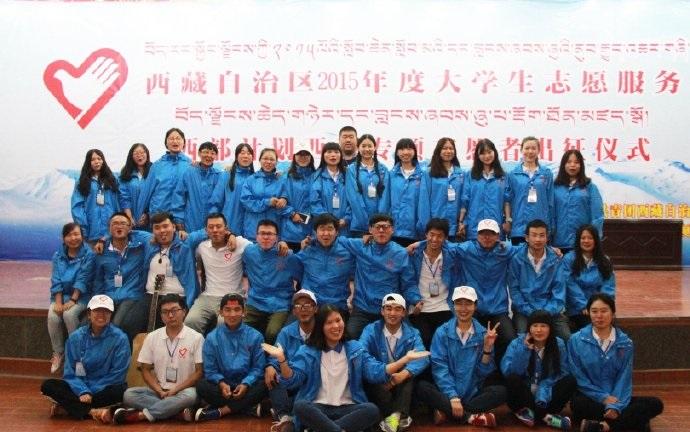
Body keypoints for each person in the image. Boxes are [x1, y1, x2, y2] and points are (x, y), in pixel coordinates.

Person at [263, 305, 430, 432]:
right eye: (329, 323)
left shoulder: (355, 348)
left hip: (348, 408)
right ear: (321, 327)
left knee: (371, 410)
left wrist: (405, 360)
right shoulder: (308, 351)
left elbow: (377, 371)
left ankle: (322, 429)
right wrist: (282, 360)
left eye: (338, 320)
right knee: (300, 406)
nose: (336, 326)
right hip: (318, 407)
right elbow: (292, 380)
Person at [569, 294, 664, 432]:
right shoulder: (575, 340)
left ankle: (604, 426)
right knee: (578, 403)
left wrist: (615, 406)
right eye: (594, 311)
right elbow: (578, 376)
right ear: (588, 313)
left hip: (616, 398)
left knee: (655, 404)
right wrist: (603, 398)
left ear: (613, 313)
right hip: (590, 397)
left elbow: (624, 378)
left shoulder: (626, 343)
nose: (599, 316)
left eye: (604, 311)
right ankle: (633, 422)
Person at [415, 286, 507, 428]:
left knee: (502, 392)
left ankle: (446, 411)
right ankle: (470, 416)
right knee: (421, 387)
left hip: (472, 394)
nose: (463, 308)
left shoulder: (484, 334)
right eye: (459, 303)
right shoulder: (442, 332)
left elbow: (483, 373)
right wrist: (453, 396)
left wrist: (487, 348)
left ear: (475, 306)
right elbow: (440, 368)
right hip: (446, 393)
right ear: (453, 305)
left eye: (468, 303)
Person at [114, 294, 204, 424]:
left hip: (184, 391)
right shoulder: (152, 337)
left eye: (174, 310)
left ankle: (141, 415)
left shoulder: (196, 338)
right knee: (129, 394)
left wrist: (175, 390)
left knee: (191, 396)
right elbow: (145, 370)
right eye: (165, 312)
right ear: (161, 316)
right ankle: (175, 412)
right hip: (158, 391)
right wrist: (159, 390)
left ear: (184, 312)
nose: (170, 315)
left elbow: (199, 372)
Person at [41, 294, 130, 423]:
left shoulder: (120, 338)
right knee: (48, 385)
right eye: (97, 310)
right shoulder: (76, 337)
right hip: (79, 388)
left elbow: (118, 374)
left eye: (106, 311)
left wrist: (90, 391)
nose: (101, 315)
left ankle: (69, 407)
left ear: (111, 315)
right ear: (89, 314)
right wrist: (82, 390)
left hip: (103, 388)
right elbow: (70, 372)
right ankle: (92, 411)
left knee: (120, 392)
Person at [343, 214, 422, 339]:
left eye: (385, 227)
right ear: (370, 229)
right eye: (377, 227)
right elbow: (335, 240)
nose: (381, 230)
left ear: (392, 229)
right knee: (349, 337)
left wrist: (416, 299)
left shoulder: (400, 253)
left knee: (411, 338)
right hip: (363, 309)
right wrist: (312, 242)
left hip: (390, 309)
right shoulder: (360, 246)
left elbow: (409, 283)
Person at [359, 294, 429, 432]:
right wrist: (383, 373)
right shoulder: (370, 330)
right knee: (371, 383)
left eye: (397, 309)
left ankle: (394, 419)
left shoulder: (413, 333)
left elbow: (423, 357)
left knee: (409, 378)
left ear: (404, 313)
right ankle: (399, 417)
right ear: (382, 311)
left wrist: (404, 374)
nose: (392, 313)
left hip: (400, 383)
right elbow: (362, 355)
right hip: (379, 379)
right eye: (388, 308)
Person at [195, 293, 267, 422]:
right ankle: (246, 408)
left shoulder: (256, 336)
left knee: (264, 384)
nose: (232, 314)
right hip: (223, 387)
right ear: (221, 312)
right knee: (202, 385)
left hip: (247, 385)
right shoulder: (212, 338)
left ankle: (222, 411)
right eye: (227, 310)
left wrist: (246, 383)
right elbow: (210, 370)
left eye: (237, 309)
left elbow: (258, 368)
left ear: (244, 312)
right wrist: (222, 383)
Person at [501, 310, 576, 430]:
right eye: (535, 326)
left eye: (543, 326)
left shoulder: (559, 344)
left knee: (570, 380)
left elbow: (563, 372)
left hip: (547, 393)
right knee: (512, 379)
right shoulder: (517, 343)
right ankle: (546, 417)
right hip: (525, 393)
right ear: (529, 328)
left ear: (550, 328)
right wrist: (525, 350)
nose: (539, 330)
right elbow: (509, 372)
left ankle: (533, 416)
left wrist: (544, 388)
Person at [185, 212, 251, 335]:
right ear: (206, 230)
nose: (215, 230)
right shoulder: (202, 247)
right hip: (208, 296)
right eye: (211, 227)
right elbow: (186, 245)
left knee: (224, 323)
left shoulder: (239, 243)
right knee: (190, 321)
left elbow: (260, 248)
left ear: (226, 228)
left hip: (233, 296)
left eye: (219, 226)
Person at [265, 289, 318, 432]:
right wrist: (270, 366)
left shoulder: (322, 331)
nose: (303, 309)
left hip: (313, 382)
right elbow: (275, 356)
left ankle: (290, 415)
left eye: (307, 305)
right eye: (298, 306)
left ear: (315, 309)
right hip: (291, 380)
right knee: (272, 375)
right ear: (294, 311)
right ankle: (285, 417)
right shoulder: (286, 332)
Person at [509, 219, 570, 341]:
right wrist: (530, 312)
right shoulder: (516, 259)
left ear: (547, 238)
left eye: (542, 235)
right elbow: (514, 291)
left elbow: (559, 292)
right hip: (524, 311)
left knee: (566, 337)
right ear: (527, 238)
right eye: (534, 235)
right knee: (522, 339)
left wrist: (545, 313)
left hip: (551, 311)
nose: (538, 239)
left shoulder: (556, 260)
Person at [92, 212, 149, 341]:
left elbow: (153, 235)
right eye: (115, 224)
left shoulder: (139, 246)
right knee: (89, 324)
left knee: (116, 326)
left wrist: (104, 237)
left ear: (130, 228)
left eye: (123, 224)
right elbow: (98, 281)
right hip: (109, 296)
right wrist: (96, 301)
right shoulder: (102, 251)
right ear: (109, 228)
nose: (119, 226)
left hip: (131, 295)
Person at [48, 222, 95, 374]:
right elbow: (56, 280)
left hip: (81, 296)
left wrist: (73, 300)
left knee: (69, 314)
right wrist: (59, 302)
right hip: (62, 295)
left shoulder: (89, 254)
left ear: (82, 236)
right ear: (63, 238)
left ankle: (76, 353)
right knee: (53, 316)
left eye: (76, 234)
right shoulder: (57, 256)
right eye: (69, 235)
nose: (73, 238)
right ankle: (58, 352)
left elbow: (83, 279)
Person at [243, 219, 300, 344]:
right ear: (256, 236)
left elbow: (300, 275)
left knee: (272, 333)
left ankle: (271, 356)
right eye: (262, 233)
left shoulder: (287, 255)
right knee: (241, 328)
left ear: (277, 237)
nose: (265, 237)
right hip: (255, 300)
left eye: (270, 234)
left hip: (280, 303)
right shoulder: (248, 252)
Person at [408, 218, 459, 349]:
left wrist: (419, 243)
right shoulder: (414, 254)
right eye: (431, 234)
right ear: (426, 234)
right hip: (420, 307)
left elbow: (466, 246)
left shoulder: (451, 254)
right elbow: (408, 282)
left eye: (439, 236)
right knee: (424, 339)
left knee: (445, 340)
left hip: (444, 306)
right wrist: (415, 300)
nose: (435, 239)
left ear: (445, 238)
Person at [293, 213, 355, 318]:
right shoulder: (308, 249)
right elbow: (293, 268)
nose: (326, 233)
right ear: (315, 232)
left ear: (337, 232)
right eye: (322, 229)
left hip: (337, 306)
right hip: (311, 305)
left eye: (330, 229)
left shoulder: (348, 252)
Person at [564, 225, 616, 331]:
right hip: (577, 308)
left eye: (590, 238)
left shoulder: (604, 260)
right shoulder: (569, 259)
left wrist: (601, 305)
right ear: (578, 240)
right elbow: (569, 284)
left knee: (611, 329)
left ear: (596, 240)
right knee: (592, 328)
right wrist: (584, 305)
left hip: (599, 307)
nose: (586, 241)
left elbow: (608, 285)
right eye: (583, 238)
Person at [553, 149, 604, 253]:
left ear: (581, 165)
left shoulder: (590, 187)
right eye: (569, 162)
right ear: (563, 165)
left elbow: (597, 216)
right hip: (558, 243)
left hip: (583, 242)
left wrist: (593, 238)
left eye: (576, 162)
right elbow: (549, 213)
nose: (572, 165)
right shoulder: (554, 187)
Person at [459, 139, 511, 240]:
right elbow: (465, 200)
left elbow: (507, 201)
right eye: (482, 153)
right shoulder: (470, 175)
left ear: (494, 152)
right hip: (474, 226)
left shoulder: (503, 176)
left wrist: (508, 221)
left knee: (496, 249)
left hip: (496, 225)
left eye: (489, 152)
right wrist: (461, 222)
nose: (487, 156)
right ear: (477, 156)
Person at [508, 136, 554, 245]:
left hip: (541, 229)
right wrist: (508, 221)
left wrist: (551, 225)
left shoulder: (546, 173)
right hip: (519, 228)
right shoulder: (513, 174)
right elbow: (508, 200)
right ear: (521, 150)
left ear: (538, 151)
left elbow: (551, 201)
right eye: (527, 148)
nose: (530, 151)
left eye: (533, 148)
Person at [418, 137, 465, 241]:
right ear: (438, 151)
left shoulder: (461, 174)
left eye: (451, 148)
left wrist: (462, 222)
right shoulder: (429, 173)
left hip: (455, 227)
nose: (448, 151)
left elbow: (464, 200)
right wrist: (426, 225)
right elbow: (424, 201)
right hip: (435, 227)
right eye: (444, 148)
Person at [71, 148, 120, 245]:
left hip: (112, 229)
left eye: (99, 158)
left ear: (103, 161)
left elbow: (118, 202)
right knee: (93, 253)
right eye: (93, 159)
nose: (96, 162)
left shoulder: (113, 179)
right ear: (88, 162)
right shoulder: (81, 181)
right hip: (92, 229)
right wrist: (83, 228)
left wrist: (119, 222)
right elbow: (77, 206)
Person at [171, 141, 222, 233]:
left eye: (212, 153)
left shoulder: (219, 175)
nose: (209, 155)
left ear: (216, 156)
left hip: (213, 225)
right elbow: (179, 196)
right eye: (206, 152)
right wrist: (178, 218)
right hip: (190, 222)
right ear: (199, 153)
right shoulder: (189, 173)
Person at [140, 127, 192, 216]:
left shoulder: (190, 166)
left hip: (182, 216)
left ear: (184, 143)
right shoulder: (157, 165)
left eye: (178, 138)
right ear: (166, 143)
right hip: (158, 214)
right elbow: (146, 192)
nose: (175, 141)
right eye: (171, 138)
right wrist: (142, 213)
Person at [240, 147, 288, 240]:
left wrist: (284, 199)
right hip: (253, 229)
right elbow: (246, 202)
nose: (268, 162)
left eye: (272, 159)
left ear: (276, 162)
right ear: (260, 160)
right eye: (265, 158)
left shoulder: (282, 181)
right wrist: (267, 202)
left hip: (274, 228)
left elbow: (287, 196)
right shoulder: (251, 180)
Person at [345, 134, 389, 236]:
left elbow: (385, 197)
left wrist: (378, 219)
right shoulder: (351, 169)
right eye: (363, 146)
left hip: (379, 225)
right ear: (358, 148)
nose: (367, 149)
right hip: (359, 224)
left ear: (375, 147)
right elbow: (354, 197)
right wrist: (365, 221)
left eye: (370, 146)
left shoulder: (383, 169)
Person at [208, 143, 255, 235]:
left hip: (250, 229)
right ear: (236, 156)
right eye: (242, 153)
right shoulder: (226, 175)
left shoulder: (255, 178)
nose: (245, 156)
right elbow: (216, 202)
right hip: (228, 226)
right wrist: (215, 224)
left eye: (249, 153)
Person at [385, 138, 424, 246]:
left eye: (409, 149)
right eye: (401, 149)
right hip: (394, 229)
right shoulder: (391, 175)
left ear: (414, 152)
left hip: (415, 230)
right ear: (397, 153)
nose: (405, 152)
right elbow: (386, 201)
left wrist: (421, 225)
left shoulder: (423, 175)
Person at [310, 141, 351, 236]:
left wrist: (346, 219)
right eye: (329, 152)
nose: (333, 155)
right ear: (323, 156)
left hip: (345, 226)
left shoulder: (348, 175)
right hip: (323, 226)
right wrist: (328, 221)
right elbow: (314, 202)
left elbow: (353, 200)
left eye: (336, 152)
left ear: (341, 155)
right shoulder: (316, 176)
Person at [280, 141, 315, 252]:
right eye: (300, 154)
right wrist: (292, 214)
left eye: (306, 154)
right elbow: (279, 201)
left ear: (311, 157)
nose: (303, 157)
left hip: (312, 231)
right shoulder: (286, 176)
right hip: (290, 232)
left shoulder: (317, 176)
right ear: (294, 156)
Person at [119, 143, 152, 229]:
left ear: (147, 154)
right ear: (131, 156)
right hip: (131, 219)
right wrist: (129, 217)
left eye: (142, 152)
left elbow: (156, 196)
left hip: (150, 219)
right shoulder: (126, 172)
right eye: (136, 153)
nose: (139, 155)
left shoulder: (154, 171)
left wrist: (148, 214)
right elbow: (124, 197)